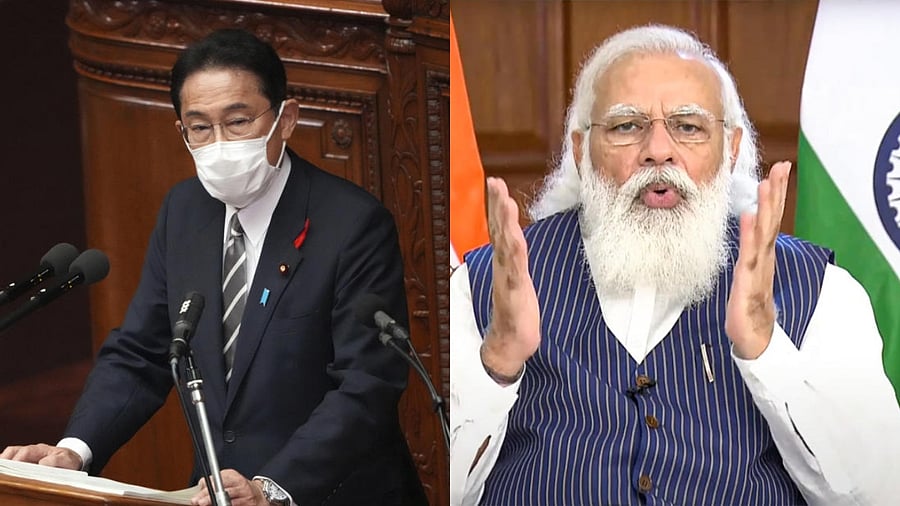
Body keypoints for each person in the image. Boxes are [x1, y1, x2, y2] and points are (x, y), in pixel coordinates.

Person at [449, 24, 900, 506]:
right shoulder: (483, 287)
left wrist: (768, 354)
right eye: (627, 126)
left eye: (688, 126)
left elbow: (880, 492)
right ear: (580, 152)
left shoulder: (818, 290)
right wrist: (497, 363)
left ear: (731, 151)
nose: (658, 150)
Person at [1, 29, 425, 506]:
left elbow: (367, 384)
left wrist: (270, 487)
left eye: (238, 121)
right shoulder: (184, 210)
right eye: (200, 128)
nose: (219, 143)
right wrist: (74, 453)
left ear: (285, 119)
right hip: (213, 496)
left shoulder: (352, 223)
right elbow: (141, 352)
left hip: (329, 494)